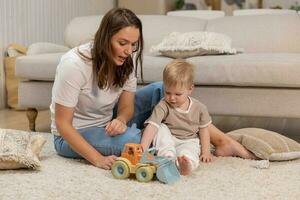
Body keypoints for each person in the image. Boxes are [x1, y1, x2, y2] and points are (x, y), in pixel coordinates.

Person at [51, 7, 254, 171]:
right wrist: (97, 159)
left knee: (161, 90)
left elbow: (127, 108)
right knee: (136, 142)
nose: (128, 51)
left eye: (133, 44)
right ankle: (169, 136)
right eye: (122, 43)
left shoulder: (125, 61)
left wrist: (121, 120)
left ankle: (221, 141)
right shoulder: (74, 65)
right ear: (105, 37)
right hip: (74, 133)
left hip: (107, 121)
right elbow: (63, 125)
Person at [141, 59, 213, 176]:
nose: (172, 98)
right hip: (169, 139)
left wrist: (206, 152)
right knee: (160, 128)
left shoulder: (200, 108)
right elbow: (152, 127)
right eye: (168, 93)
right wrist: (142, 149)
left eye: (177, 94)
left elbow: (204, 130)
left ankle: (186, 164)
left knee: (190, 152)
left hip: (188, 140)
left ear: (190, 89)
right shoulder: (163, 105)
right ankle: (167, 157)